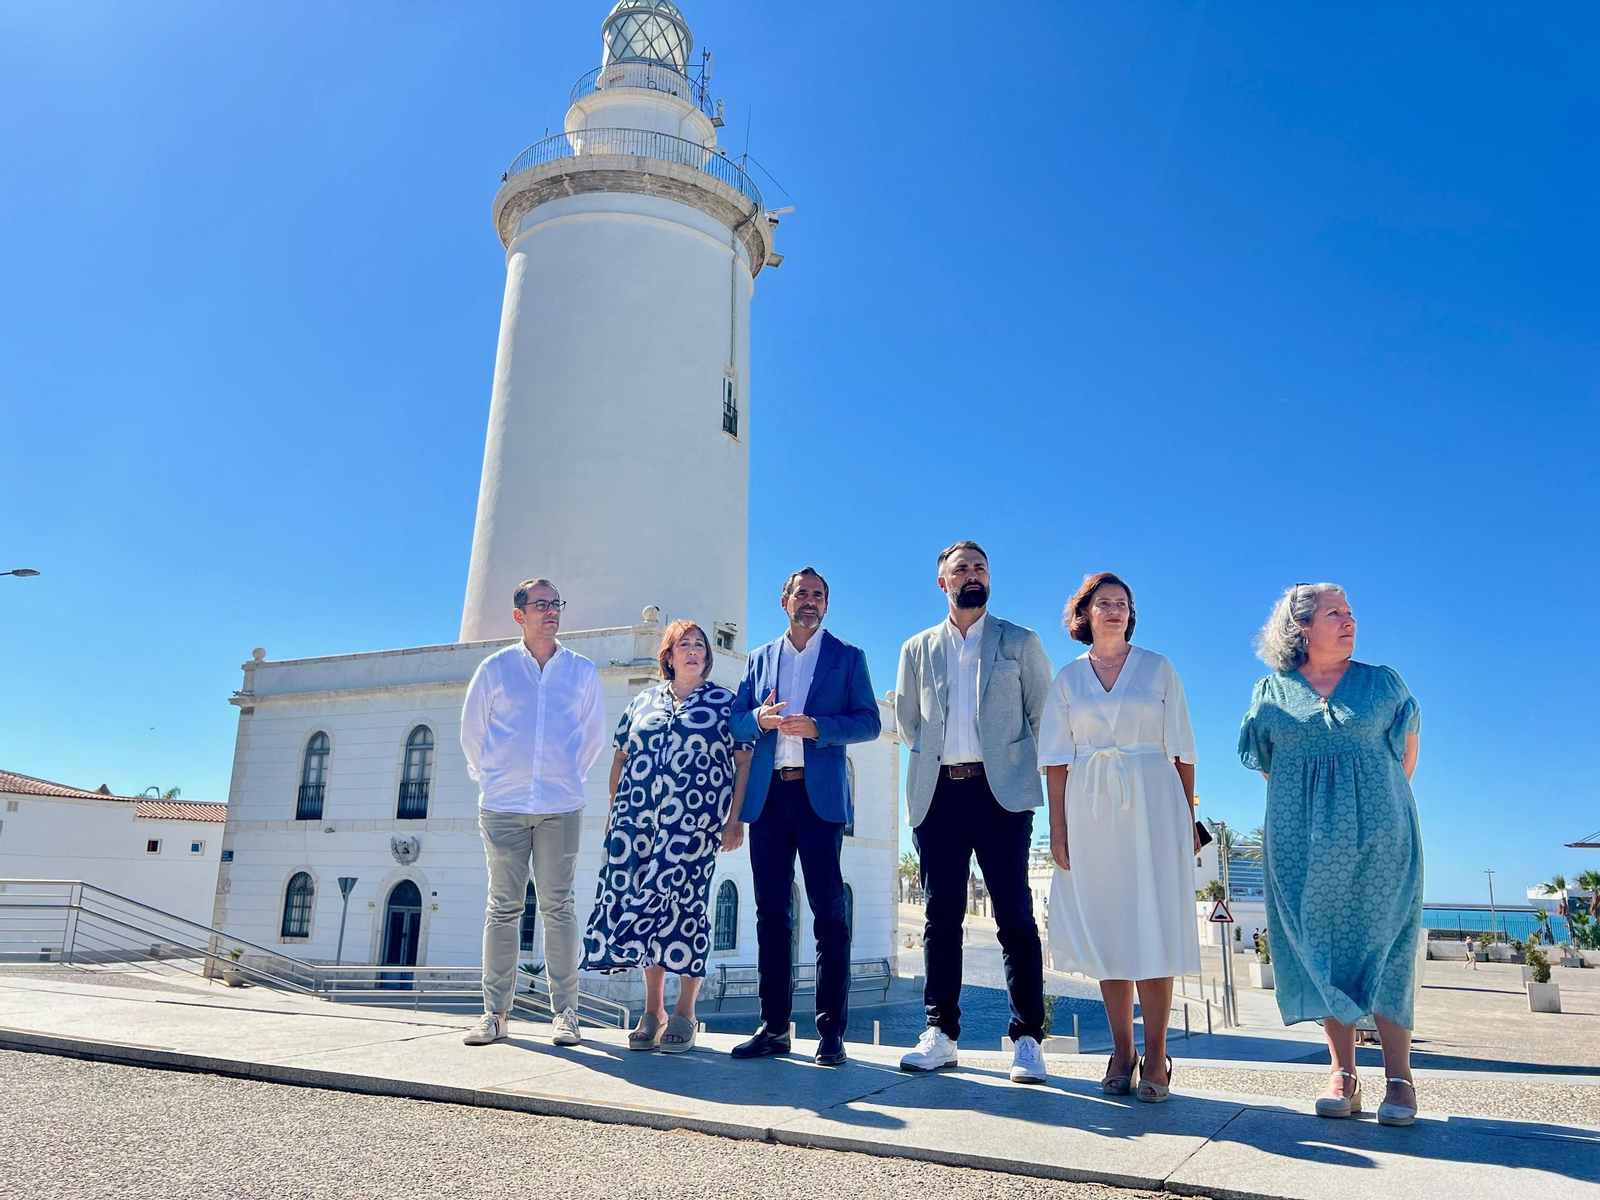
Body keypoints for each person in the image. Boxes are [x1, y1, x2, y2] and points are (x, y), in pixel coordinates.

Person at [1239, 583, 1423, 1127]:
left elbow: (1405, 758)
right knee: (1319, 946)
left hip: (1384, 841)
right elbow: (1272, 766)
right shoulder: (1270, 693)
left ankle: (1400, 1078)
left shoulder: (1382, 683)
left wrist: (1364, 811)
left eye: (1350, 611)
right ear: (1300, 628)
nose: (1349, 620)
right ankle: (1342, 1073)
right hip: (1301, 847)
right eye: (1334, 613)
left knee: (1389, 946)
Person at [894, 541, 1053, 1083]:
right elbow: (911, 723)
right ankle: (940, 1033)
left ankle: (1028, 1038)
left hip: (1000, 793)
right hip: (937, 793)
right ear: (943, 582)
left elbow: (1043, 715)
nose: (971, 575)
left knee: (1014, 916)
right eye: (960, 569)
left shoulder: (1021, 642)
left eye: (980, 567)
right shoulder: (917, 648)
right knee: (942, 919)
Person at [1040, 572, 1200, 1103]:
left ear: (1132, 613)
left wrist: (1185, 819)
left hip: (1153, 803)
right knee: (1109, 927)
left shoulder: (1159, 669)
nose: (1114, 611)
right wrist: (1057, 828)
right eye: (1103, 603)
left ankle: (1157, 1054)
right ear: (1083, 614)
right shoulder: (1066, 679)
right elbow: (1056, 761)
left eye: (1123, 603)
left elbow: (1182, 750)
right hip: (1089, 810)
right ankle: (1121, 1050)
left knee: (1151, 923)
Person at [729, 567, 881, 1066]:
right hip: (768, 799)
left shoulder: (848, 658)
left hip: (820, 804)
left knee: (829, 917)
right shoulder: (759, 659)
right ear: (784, 600)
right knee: (771, 915)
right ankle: (774, 1028)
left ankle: (831, 1032)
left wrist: (819, 727)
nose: (809, 601)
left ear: (826, 604)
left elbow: (869, 722)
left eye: (817, 595)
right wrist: (759, 720)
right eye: (801, 594)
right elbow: (736, 720)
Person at [582, 621, 752, 1053]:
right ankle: (653, 1010)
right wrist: (614, 812)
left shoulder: (723, 703)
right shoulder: (644, 700)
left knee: (686, 907)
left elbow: (743, 763)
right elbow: (620, 757)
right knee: (644, 906)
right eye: (683, 645)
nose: (693, 651)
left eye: (699, 645)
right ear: (669, 656)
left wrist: (736, 820)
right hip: (636, 821)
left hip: (693, 826)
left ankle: (685, 1012)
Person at [460, 578, 606, 1049]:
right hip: (502, 806)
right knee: (502, 908)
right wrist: (497, 780)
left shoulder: (581, 671)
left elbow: (593, 736)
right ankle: (495, 1014)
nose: (551, 611)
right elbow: (472, 734)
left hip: (561, 807)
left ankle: (566, 1014)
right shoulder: (495, 668)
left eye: (556, 603)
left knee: (558, 908)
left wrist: (564, 778)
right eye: (541, 604)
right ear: (519, 614)